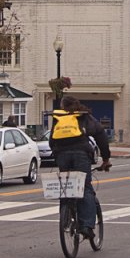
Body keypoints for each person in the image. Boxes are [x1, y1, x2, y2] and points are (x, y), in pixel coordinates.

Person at [49, 95, 111, 240]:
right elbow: (100, 134)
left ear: (63, 106)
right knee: (85, 188)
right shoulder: (83, 116)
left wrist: (58, 153)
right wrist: (106, 158)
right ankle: (87, 226)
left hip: (62, 156)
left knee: (65, 187)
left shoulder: (59, 118)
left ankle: (65, 219)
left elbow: (52, 140)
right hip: (81, 155)